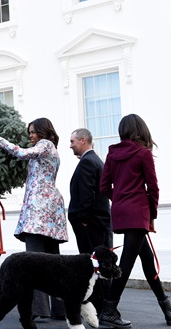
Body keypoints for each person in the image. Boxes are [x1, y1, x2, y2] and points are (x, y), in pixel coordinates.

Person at [99, 114, 171, 328]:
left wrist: (118, 199)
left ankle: (168, 309)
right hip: (138, 213)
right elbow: (153, 189)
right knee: (126, 262)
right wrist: (152, 216)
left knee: (147, 261)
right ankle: (109, 310)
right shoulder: (143, 154)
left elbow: (104, 186)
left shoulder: (111, 153)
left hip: (121, 212)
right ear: (141, 130)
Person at [0, 118, 67, 320]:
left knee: (33, 262)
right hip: (50, 212)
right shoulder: (50, 149)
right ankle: (60, 310)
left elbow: (21, 153)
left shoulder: (45, 145)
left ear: (43, 131)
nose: (30, 135)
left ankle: (38, 310)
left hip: (39, 212)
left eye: (33, 132)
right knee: (54, 261)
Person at [68, 128, 112, 314]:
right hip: (100, 224)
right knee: (102, 265)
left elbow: (87, 194)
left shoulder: (87, 162)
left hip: (91, 225)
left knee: (94, 266)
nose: (71, 145)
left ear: (83, 140)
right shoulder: (95, 160)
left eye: (73, 141)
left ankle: (102, 308)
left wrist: (83, 219)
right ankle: (107, 307)